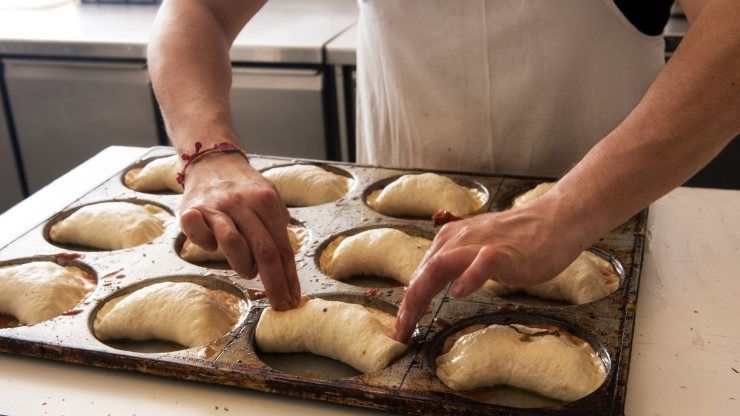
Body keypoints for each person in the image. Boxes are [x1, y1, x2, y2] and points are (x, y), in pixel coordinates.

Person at [148, 0, 739, 343]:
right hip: (387, 223)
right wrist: (208, 154)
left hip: (603, 228)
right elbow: (197, 9)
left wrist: (562, 211)